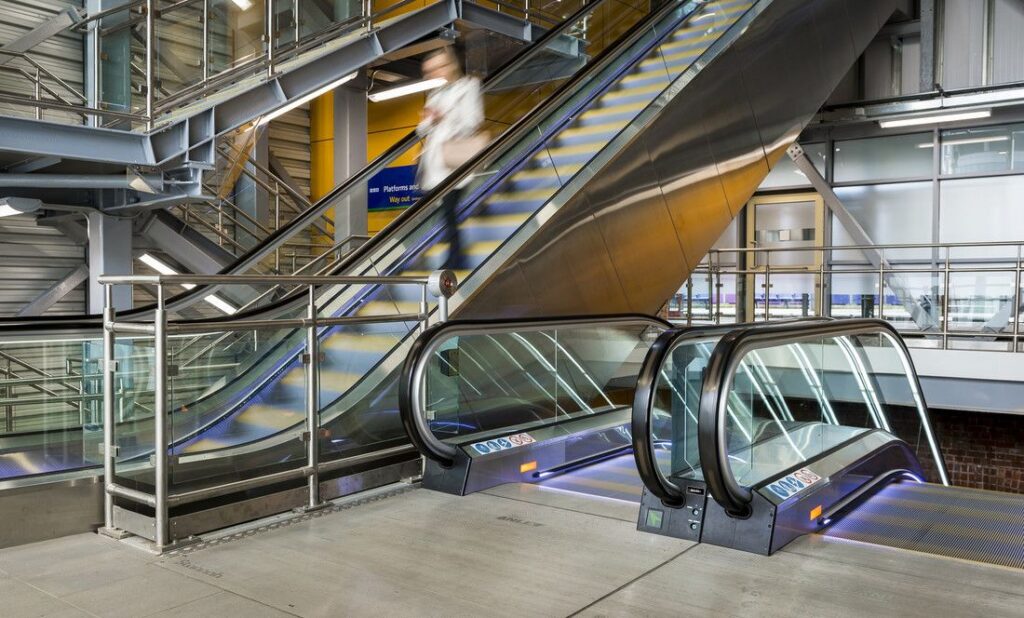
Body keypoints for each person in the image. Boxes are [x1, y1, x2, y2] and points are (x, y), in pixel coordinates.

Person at [416, 43, 483, 269]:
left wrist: (446, 118)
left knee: (449, 209)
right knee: (447, 210)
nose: (435, 74)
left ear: (452, 65)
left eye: (439, 67)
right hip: (436, 164)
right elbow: (421, 130)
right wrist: (430, 119)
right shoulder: (434, 95)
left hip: (455, 161)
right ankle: (454, 253)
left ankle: (455, 257)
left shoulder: (469, 87)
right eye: (431, 71)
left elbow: (473, 122)